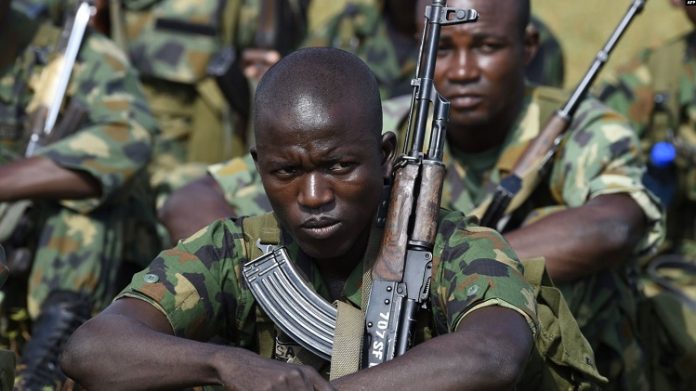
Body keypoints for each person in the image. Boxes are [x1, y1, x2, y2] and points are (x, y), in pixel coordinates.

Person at [162, 0, 664, 388]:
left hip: (532, 337)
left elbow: (613, 224)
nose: (462, 71)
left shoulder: (578, 128)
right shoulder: (388, 121)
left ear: (528, 47)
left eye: (485, 47)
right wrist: (254, 267)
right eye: (443, 49)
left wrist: (461, 258)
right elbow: (198, 195)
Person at [60, 47, 539, 390]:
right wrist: (227, 366)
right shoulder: (236, 250)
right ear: (258, 167)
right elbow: (92, 349)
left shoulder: (453, 245)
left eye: (338, 166)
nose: (313, 195)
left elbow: (494, 352)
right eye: (287, 171)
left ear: (384, 155)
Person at [0, 0, 160, 387]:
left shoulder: (70, 52)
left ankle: (49, 366)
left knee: (84, 214)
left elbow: (129, 139)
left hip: (43, 247)